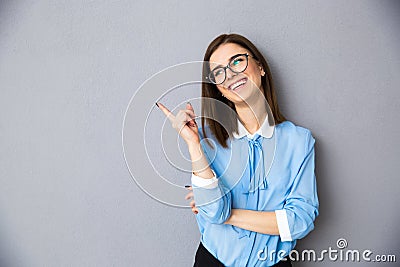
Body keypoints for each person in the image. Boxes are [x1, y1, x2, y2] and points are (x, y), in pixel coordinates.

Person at [157, 33, 319, 267]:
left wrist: (228, 214)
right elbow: (212, 211)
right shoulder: (205, 139)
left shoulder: (299, 141)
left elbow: (300, 221)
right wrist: (193, 144)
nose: (230, 75)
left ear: (260, 67)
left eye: (236, 61)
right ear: (219, 89)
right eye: (219, 72)